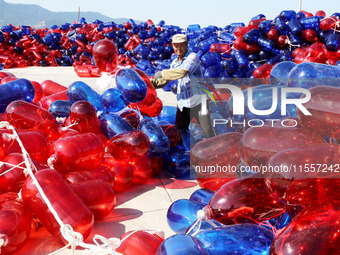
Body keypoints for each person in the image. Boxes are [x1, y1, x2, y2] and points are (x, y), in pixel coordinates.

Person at [151, 34, 216, 139]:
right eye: (176, 46)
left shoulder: (192, 57)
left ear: (186, 45)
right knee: (180, 131)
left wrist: (161, 73)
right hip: (183, 103)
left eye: (181, 45)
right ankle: (185, 153)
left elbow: (182, 72)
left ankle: (216, 152)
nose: (178, 48)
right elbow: (165, 80)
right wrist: (150, 84)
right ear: (172, 46)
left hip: (198, 101)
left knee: (208, 131)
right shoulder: (174, 63)